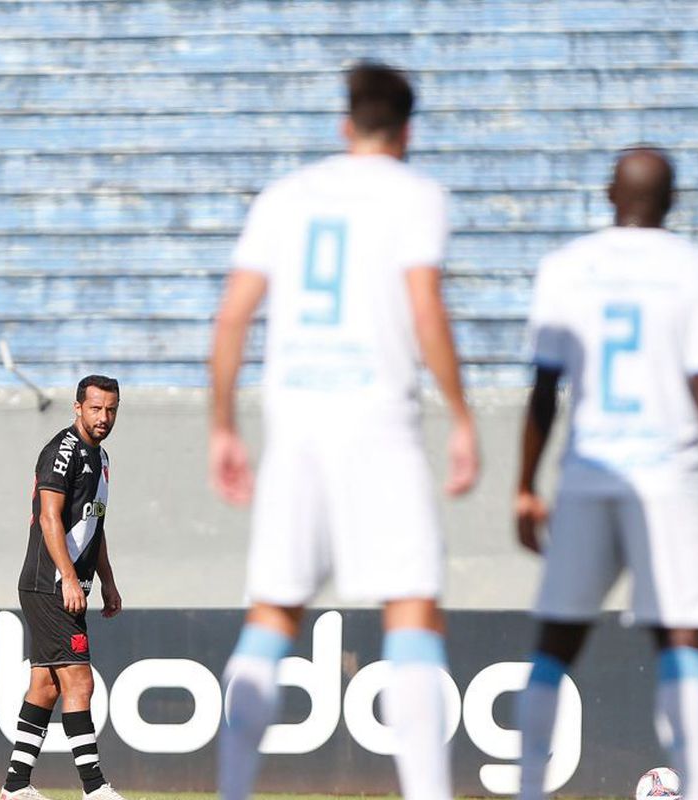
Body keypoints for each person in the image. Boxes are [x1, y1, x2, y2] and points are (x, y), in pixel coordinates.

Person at [207, 62, 478, 800]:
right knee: (413, 608)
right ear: (408, 130)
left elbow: (233, 315)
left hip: (295, 423)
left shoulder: (286, 196)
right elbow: (425, 307)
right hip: (378, 421)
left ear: (345, 122)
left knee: (271, 612)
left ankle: (232, 790)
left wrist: (223, 426)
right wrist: (460, 414)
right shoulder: (416, 195)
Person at [512, 147, 698, 800]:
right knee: (680, 640)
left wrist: (524, 484)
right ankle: (697, 791)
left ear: (609, 194)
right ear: (672, 201)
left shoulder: (565, 269)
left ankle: (525, 788)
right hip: (668, 475)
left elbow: (543, 390)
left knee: (556, 639)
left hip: (588, 471)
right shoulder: (695, 271)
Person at [0, 375, 125, 800]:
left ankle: (16, 786)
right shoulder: (62, 452)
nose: (103, 417)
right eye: (95, 408)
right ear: (77, 408)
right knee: (79, 682)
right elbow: (49, 517)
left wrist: (107, 580)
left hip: (68, 585)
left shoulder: (102, 457)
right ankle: (94, 787)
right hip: (50, 583)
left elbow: (94, 524)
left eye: (110, 409)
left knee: (47, 685)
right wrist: (69, 577)